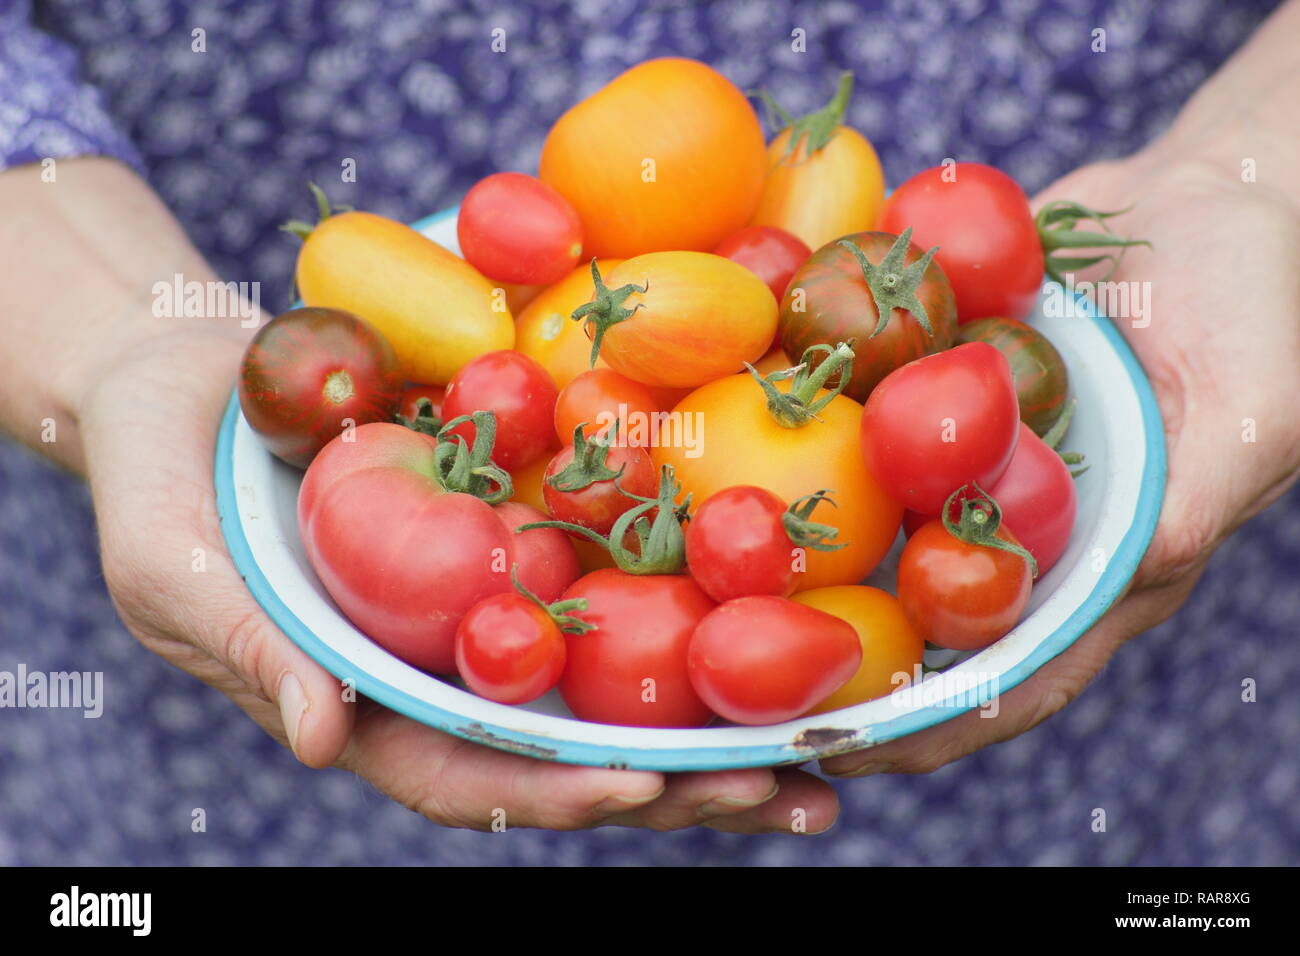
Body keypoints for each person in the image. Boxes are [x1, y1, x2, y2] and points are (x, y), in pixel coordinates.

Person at [1, 0, 1296, 858]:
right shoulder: (535, 407)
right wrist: (116, 338)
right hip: (241, 792)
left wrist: (1253, 180)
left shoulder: (852, 352)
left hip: (1106, 783)